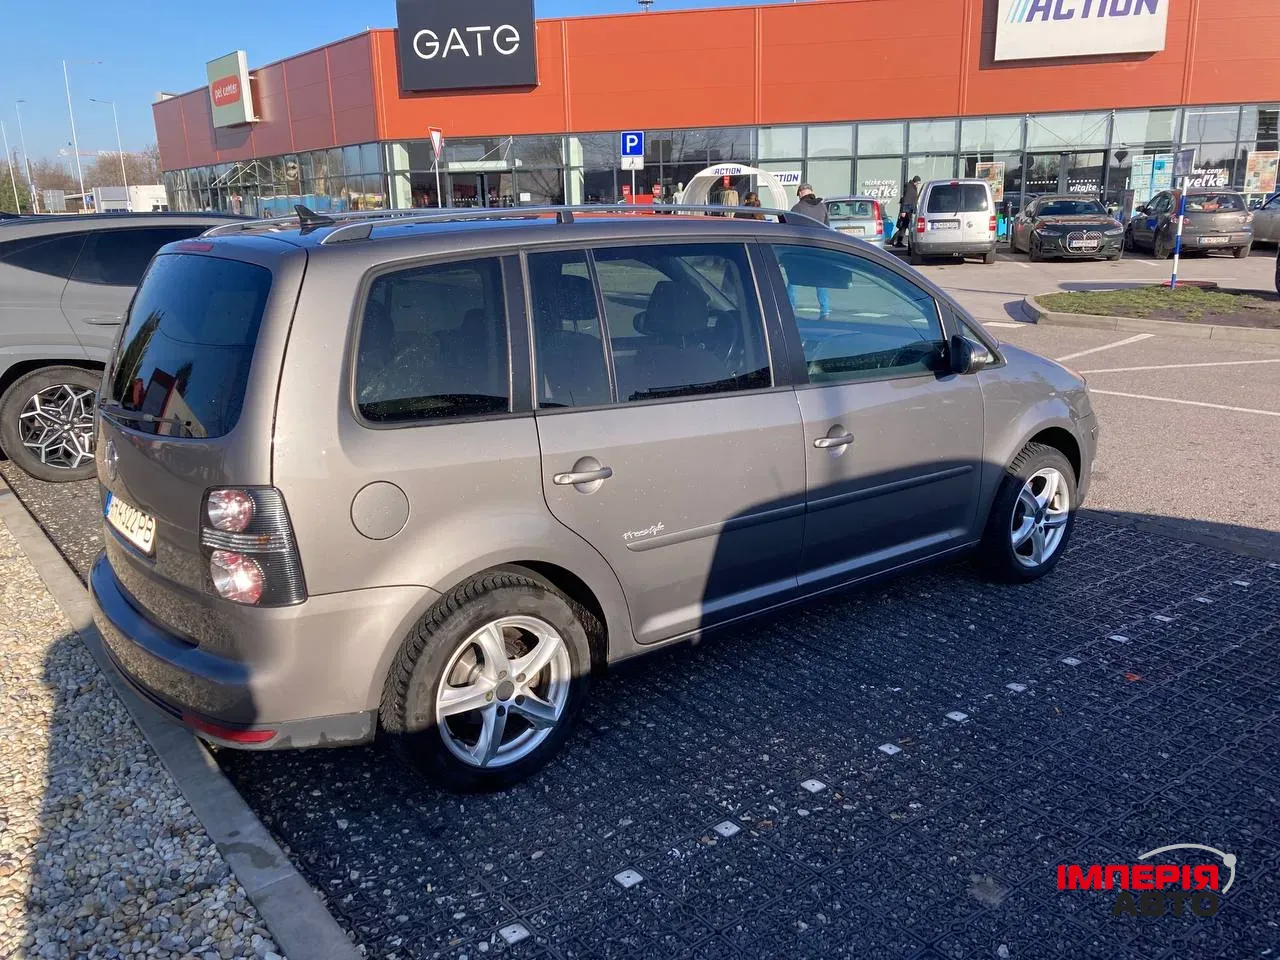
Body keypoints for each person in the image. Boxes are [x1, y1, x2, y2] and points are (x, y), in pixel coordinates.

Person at [789, 184, 831, 318]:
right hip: (818, 249)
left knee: (793, 280)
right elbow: (827, 228)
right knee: (821, 281)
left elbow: (790, 230)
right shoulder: (822, 207)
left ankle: (790, 308)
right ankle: (825, 310)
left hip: (801, 249)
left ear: (801, 193)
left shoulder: (797, 208)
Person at [890, 176, 922, 247]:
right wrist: (903, 211)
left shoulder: (911, 187)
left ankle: (897, 241)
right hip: (907, 211)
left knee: (904, 227)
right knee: (905, 227)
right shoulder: (910, 188)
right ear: (915, 182)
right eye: (918, 183)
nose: (918, 184)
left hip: (909, 210)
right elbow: (906, 200)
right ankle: (898, 241)